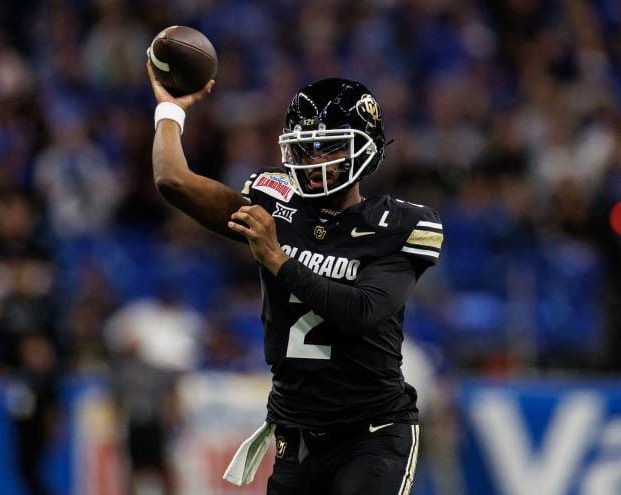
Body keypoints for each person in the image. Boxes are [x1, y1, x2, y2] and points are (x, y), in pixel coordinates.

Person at [146, 60, 443, 495]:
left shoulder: (397, 225)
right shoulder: (274, 201)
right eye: (304, 148)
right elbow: (172, 181)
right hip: (297, 432)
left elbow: (362, 311)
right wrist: (171, 111)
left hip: (373, 432)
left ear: (366, 149)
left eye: (326, 147)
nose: (312, 161)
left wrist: (277, 258)